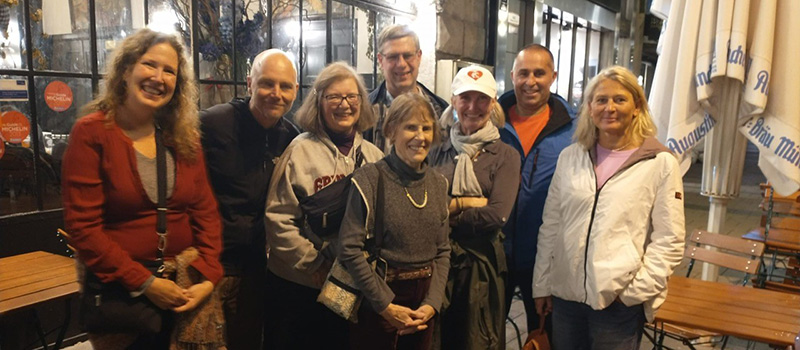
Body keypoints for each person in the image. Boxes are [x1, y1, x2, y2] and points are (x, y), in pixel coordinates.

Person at [61, 28, 223, 349]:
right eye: (149, 65)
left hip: (183, 288)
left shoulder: (183, 136)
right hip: (122, 296)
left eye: (169, 71)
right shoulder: (92, 133)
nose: (159, 77)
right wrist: (146, 284)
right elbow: (84, 229)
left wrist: (209, 275)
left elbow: (206, 212)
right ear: (125, 70)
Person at [532, 66, 685, 349]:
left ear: (637, 106)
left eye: (620, 99)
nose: (609, 108)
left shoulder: (660, 163)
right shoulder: (571, 157)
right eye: (601, 100)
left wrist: (633, 292)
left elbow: (669, 239)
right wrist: (542, 284)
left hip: (618, 304)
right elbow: (551, 225)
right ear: (589, 107)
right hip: (567, 298)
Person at [264, 61, 384, 349]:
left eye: (351, 96)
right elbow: (278, 219)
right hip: (301, 286)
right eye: (334, 97)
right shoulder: (300, 150)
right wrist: (314, 264)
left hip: (351, 287)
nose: (344, 104)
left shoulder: (374, 156)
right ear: (319, 102)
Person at [200, 49, 300, 349]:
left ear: (296, 90)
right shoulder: (211, 124)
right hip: (208, 266)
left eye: (285, 86)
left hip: (256, 269)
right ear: (249, 84)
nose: (276, 93)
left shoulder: (292, 138)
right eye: (267, 83)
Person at [339, 92, 450, 350]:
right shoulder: (369, 179)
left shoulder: (437, 184)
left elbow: (443, 250)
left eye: (426, 128)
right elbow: (349, 249)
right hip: (378, 302)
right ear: (391, 130)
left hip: (423, 305)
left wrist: (432, 304)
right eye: (411, 127)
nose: (420, 137)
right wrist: (386, 307)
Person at [428, 66, 520, 349]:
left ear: (493, 104)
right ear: (453, 101)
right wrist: (467, 203)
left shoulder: (506, 155)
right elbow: (424, 208)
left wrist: (448, 209)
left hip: (482, 268)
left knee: (476, 341)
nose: (472, 107)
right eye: (465, 97)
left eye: (481, 99)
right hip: (438, 264)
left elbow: (497, 214)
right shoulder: (436, 149)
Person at [497, 44, 576, 335]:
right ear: (512, 76)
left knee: (544, 337)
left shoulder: (574, 130)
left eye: (539, 73)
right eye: (523, 73)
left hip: (546, 259)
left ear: (553, 76)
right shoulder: (491, 121)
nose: (530, 81)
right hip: (496, 256)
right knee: (487, 336)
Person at [366, 24, 449, 152]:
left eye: (407, 55)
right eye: (393, 57)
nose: (401, 64)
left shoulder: (441, 112)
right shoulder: (365, 112)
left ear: (419, 57)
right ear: (381, 60)